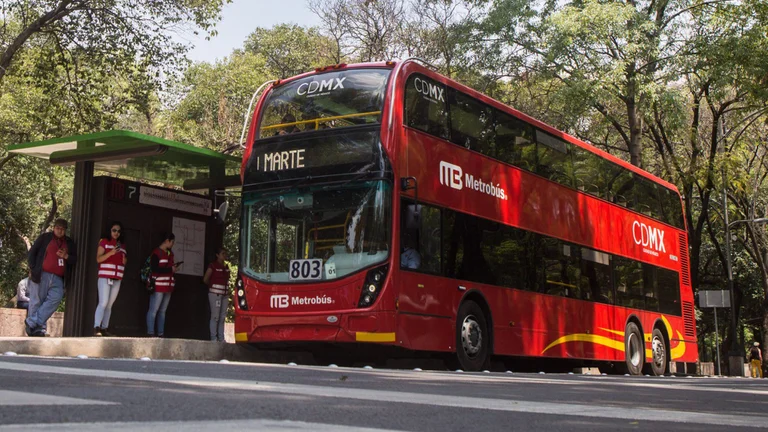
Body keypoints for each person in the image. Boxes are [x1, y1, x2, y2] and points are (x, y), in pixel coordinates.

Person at [26, 218, 77, 337]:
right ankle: (38, 329)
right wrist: (33, 268)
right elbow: (32, 253)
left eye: (63, 229)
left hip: (58, 277)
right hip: (42, 273)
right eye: (58, 228)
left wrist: (66, 256)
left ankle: (32, 322)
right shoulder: (45, 237)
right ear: (54, 228)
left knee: (56, 298)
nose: (60, 231)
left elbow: (74, 259)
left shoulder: (69, 242)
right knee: (37, 301)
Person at [93, 222, 127, 336]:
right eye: (114, 230)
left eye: (118, 231)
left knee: (109, 304)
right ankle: (96, 327)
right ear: (110, 230)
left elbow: (124, 261)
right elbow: (98, 259)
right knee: (103, 302)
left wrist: (124, 261)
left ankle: (104, 328)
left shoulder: (122, 245)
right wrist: (111, 252)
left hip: (117, 278)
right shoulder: (104, 242)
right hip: (105, 276)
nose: (116, 233)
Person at [146, 233, 180, 337]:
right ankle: (150, 333)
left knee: (162, 311)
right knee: (153, 310)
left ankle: (161, 333)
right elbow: (155, 269)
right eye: (172, 242)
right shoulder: (156, 253)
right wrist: (170, 269)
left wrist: (173, 268)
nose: (173, 244)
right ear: (167, 241)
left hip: (168, 286)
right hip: (158, 286)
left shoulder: (170, 254)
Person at [203, 247, 230, 342]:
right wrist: (213, 287)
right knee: (215, 317)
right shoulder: (213, 266)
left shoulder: (226, 267)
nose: (225, 255)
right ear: (217, 255)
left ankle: (221, 338)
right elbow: (206, 279)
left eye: (225, 253)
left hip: (225, 295)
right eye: (223, 253)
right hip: (215, 295)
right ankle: (213, 339)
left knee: (222, 317)